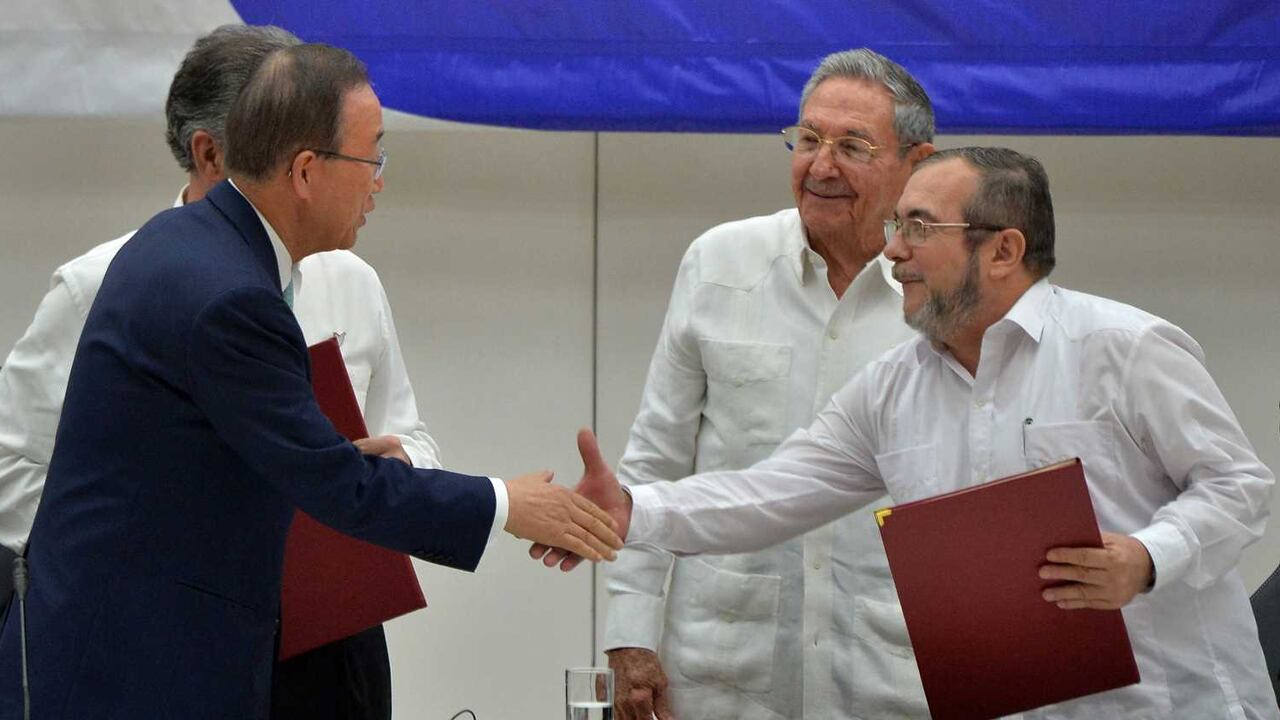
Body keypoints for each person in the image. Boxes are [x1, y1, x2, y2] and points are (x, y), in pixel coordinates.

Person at [0, 42, 621, 720]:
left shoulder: (187, 243)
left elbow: (207, 459)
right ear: (304, 170)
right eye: (372, 158)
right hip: (142, 668)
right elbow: (337, 484)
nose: (379, 182)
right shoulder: (229, 295)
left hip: (183, 644)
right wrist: (507, 504)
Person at [565, 147, 1278, 718]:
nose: (893, 252)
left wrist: (1148, 557)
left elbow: (1240, 486)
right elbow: (771, 494)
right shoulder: (892, 387)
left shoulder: (1125, 349)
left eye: (918, 229)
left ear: (1003, 251)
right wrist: (632, 512)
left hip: (1171, 702)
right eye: (894, 227)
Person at [0, 25, 436, 720]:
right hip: (172, 646)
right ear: (210, 151)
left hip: (330, 639)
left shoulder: (348, 278)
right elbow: (14, 472)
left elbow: (407, 434)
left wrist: (390, 467)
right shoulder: (106, 282)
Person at [595, 49, 935, 719]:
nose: (821, 166)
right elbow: (658, 457)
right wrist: (630, 631)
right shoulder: (721, 262)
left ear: (916, 164)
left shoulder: (944, 290)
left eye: (852, 146)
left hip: (890, 671)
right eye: (808, 139)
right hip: (724, 665)